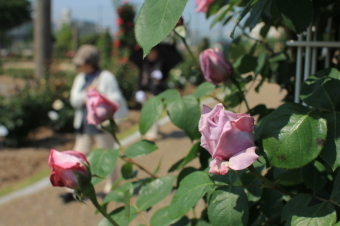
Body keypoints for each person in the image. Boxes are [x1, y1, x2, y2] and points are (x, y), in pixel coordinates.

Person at [62, 44, 128, 202]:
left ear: (91, 62)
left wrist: (99, 95)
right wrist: (87, 94)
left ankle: (112, 188)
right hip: (85, 126)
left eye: (81, 63)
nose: (78, 67)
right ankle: (74, 189)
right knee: (77, 158)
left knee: (108, 157)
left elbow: (116, 99)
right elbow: (74, 100)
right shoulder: (80, 78)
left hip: (102, 126)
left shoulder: (106, 77)